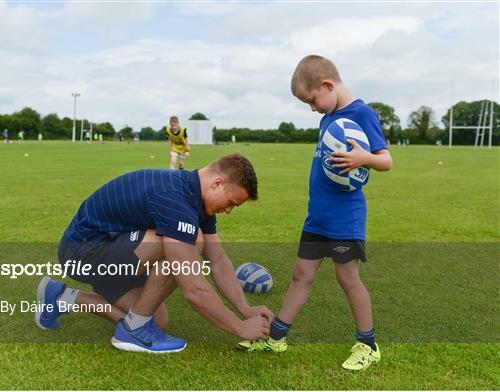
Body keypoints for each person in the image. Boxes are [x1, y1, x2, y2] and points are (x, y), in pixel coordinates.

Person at [238, 55, 392, 371]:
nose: (313, 108)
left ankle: (368, 344)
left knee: (347, 278)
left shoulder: (361, 113)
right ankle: (276, 337)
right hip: (317, 217)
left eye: (312, 100)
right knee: (301, 275)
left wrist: (363, 158)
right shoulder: (328, 118)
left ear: (327, 85)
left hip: (344, 218)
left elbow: (386, 160)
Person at [35, 153, 273, 353]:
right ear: (217, 183)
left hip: (109, 251)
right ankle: (134, 330)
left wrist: (246, 309)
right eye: (231, 202)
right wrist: (239, 328)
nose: (229, 210)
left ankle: (62, 297)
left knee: (157, 320)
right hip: (83, 252)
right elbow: (193, 288)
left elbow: (218, 260)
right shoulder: (175, 200)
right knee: (191, 241)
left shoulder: (196, 200)